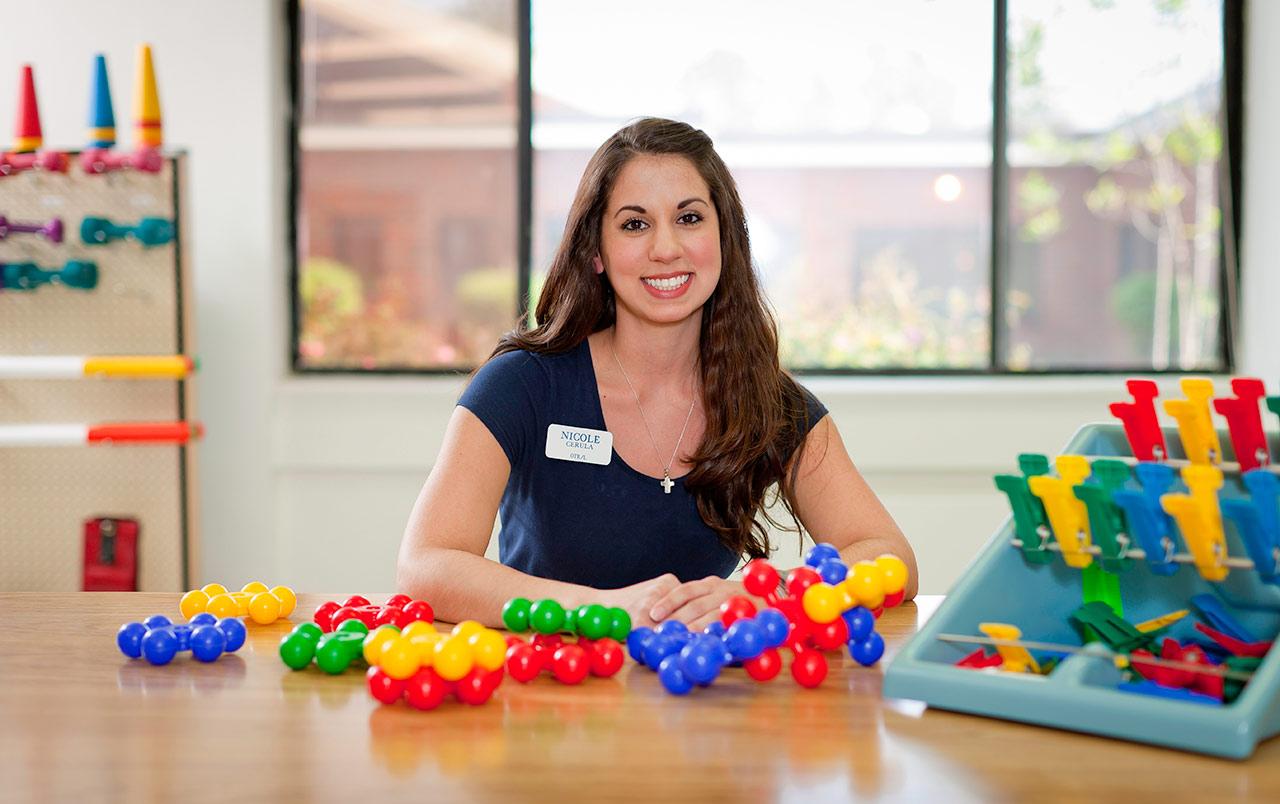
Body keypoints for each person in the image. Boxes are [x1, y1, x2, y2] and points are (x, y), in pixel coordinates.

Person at [398, 118, 916, 630]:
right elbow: (426, 565)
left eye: (689, 218)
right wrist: (601, 610)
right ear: (596, 252)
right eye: (634, 224)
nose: (665, 248)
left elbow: (891, 560)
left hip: (696, 697)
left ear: (723, 236)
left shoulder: (767, 401)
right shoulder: (522, 385)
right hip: (546, 690)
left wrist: (771, 594)